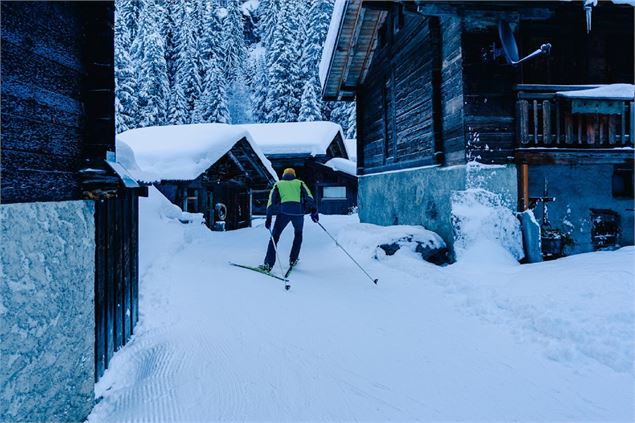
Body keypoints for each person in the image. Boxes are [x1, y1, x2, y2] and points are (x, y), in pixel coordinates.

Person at [259, 168, 319, 272]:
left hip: (284, 213)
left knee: (275, 237)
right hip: (298, 213)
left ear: (283, 175)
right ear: (294, 175)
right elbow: (309, 196)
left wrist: (268, 218)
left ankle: (268, 264)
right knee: (298, 234)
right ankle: (293, 259)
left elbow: (271, 202)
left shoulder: (278, 184)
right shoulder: (300, 183)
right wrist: (314, 211)